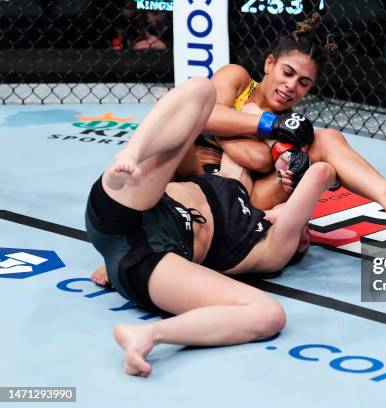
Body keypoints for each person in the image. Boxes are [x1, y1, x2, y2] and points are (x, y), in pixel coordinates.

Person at [91, 13, 386, 285]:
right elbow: (204, 117)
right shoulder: (237, 79)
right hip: (188, 178)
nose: (291, 87)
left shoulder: (296, 130)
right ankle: (129, 250)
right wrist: (266, 126)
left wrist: (289, 190)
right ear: (269, 64)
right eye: (286, 73)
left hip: (238, 201)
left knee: (327, 140)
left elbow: (254, 164)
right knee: (179, 127)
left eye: (303, 83)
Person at [86, 77, 344, 376]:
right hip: (132, 204)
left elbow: (321, 173)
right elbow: (246, 112)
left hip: (148, 259)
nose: (306, 232)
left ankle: (149, 336)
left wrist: (300, 181)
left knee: (269, 314)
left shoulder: (269, 246)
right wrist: (278, 145)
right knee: (201, 89)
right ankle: (132, 152)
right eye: (308, 229)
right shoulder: (237, 189)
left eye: (305, 232)